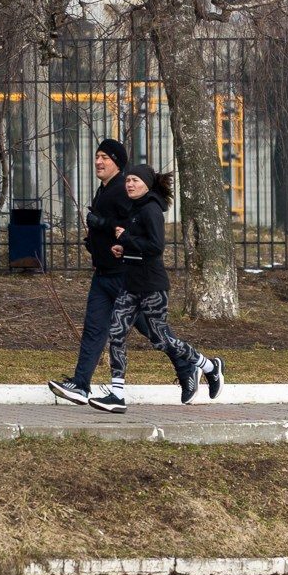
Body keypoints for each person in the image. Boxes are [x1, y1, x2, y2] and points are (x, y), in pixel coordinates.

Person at [99, 167, 224, 411]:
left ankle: (209, 366)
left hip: (151, 287)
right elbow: (140, 247)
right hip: (131, 286)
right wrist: (124, 250)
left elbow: (156, 247)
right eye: (128, 181)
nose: (129, 185)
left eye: (134, 180)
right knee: (115, 333)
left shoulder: (151, 209)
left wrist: (125, 239)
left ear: (146, 184)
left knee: (161, 339)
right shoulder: (135, 209)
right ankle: (117, 394)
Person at [47, 139, 135, 409]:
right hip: (103, 273)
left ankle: (198, 364)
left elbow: (130, 226)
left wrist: (103, 224)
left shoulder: (122, 189)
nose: (98, 161)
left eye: (104, 157)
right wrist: (94, 241)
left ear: (117, 162)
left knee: (154, 330)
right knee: (94, 329)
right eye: (97, 156)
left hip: (124, 276)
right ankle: (81, 384)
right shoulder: (104, 189)